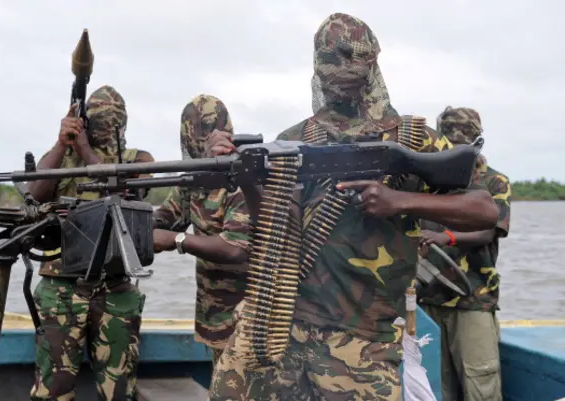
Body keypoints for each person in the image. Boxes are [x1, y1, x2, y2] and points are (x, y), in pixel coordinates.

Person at [204, 13, 500, 401]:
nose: (344, 76)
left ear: (372, 65)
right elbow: (277, 231)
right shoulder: (295, 139)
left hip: (362, 343)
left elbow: (485, 210)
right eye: (334, 66)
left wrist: (399, 201)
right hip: (280, 329)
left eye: (354, 64)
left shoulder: (413, 140)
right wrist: (246, 180)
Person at [27, 85, 155, 401]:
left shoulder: (138, 160)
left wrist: (84, 150)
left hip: (115, 286)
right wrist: (62, 144)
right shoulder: (59, 157)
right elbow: (35, 194)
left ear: (123, 124)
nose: (105, 127)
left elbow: (123, 195)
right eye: (97, 121)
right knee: (52, 391)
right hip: (61, 287)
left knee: (118, 390)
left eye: (112, 121)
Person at [151, 94, 252, 367]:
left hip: (250, 320)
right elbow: (165, 218)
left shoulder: (245, 180)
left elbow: (235, 248)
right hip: (213, 317)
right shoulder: (193, 181)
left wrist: (177, 240)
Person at [418, 106, 512, 401]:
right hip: (428, 298)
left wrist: (446, 237)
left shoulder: (494, 182)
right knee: (437, 384)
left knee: (480, 383)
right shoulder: (427, 182)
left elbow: (489, 231)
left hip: (473, 298)